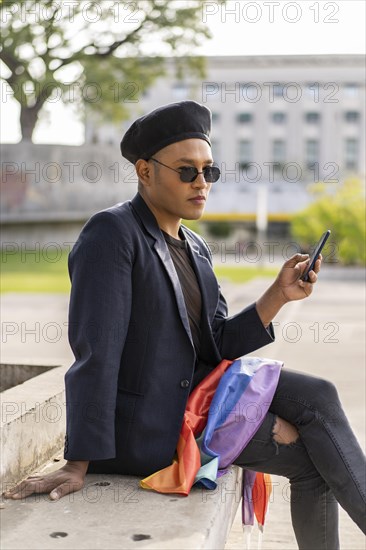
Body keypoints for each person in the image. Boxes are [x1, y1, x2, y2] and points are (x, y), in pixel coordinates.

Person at [4, 101, 365, 549]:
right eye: (186, 171)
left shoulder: (194, 247)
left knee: (319, 406)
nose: (201, 184)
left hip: (199, 398)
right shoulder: (112, 234)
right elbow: (97, 351)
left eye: (209, 172)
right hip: (149, 428)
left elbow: (216, 345)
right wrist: (78, 461)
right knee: (318, 450)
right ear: (145, 170)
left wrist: (277, 296)